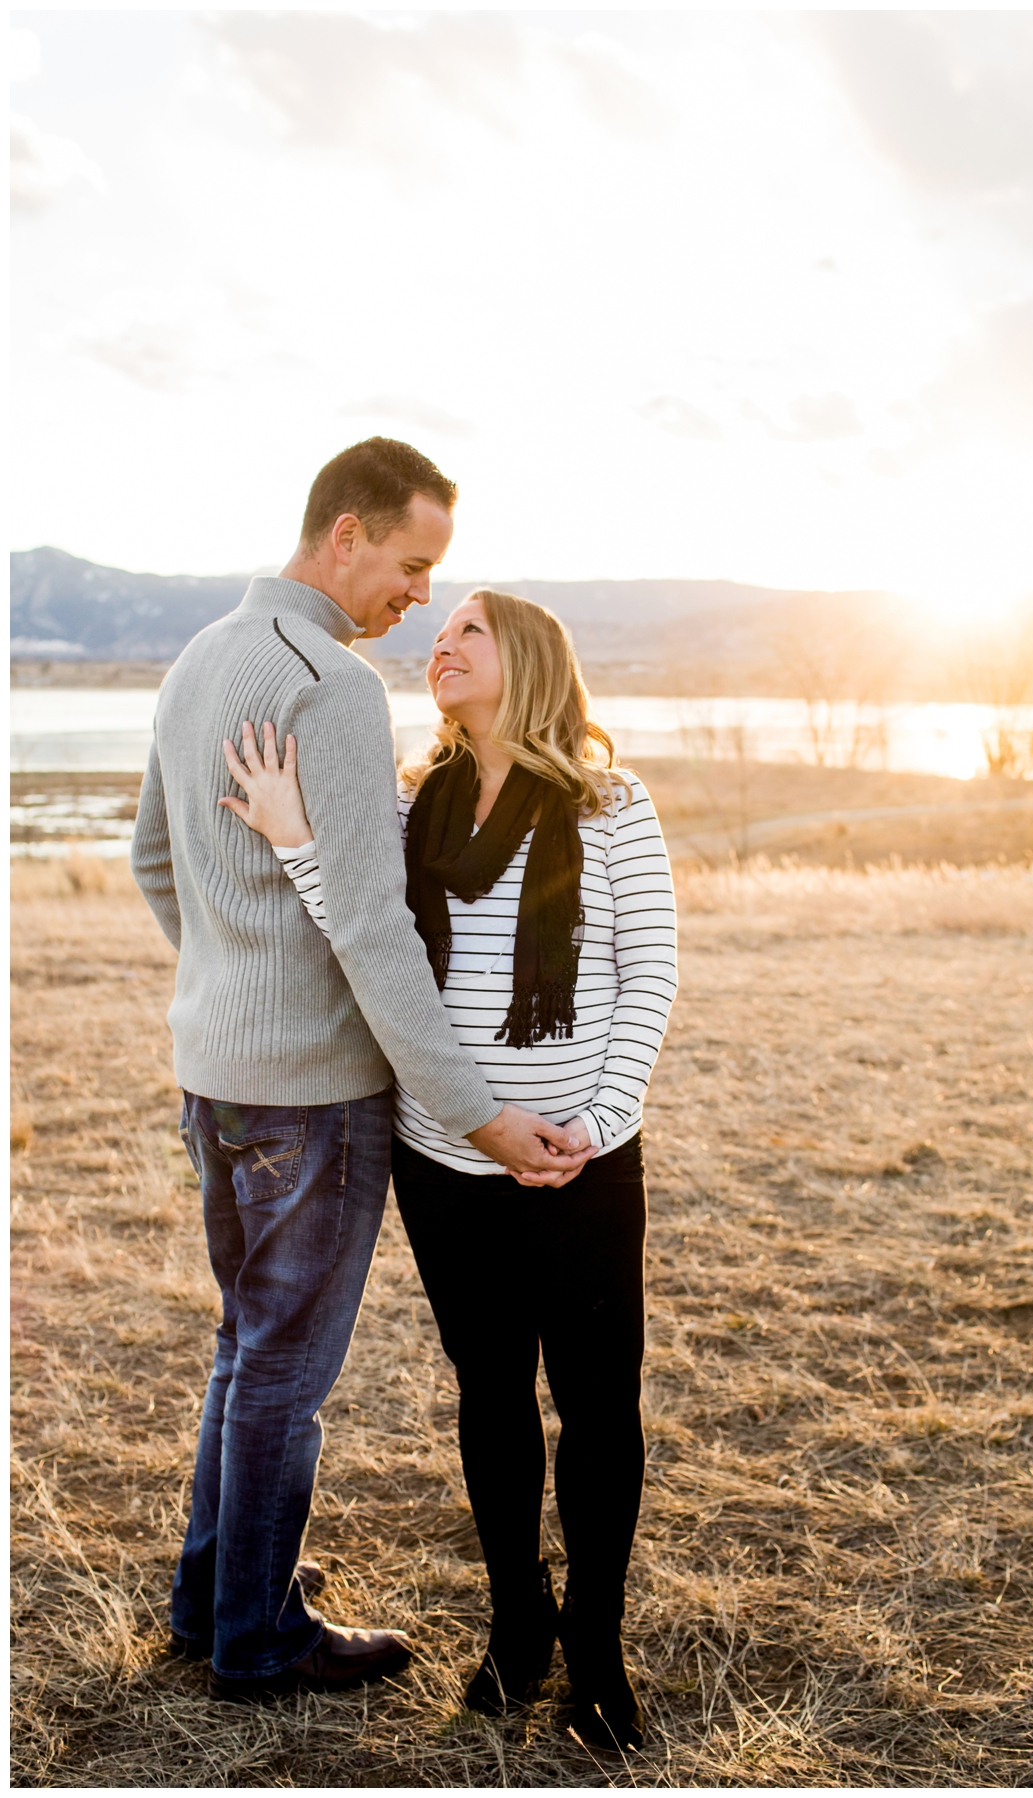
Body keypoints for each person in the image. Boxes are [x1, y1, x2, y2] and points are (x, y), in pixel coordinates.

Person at [133, 439, 592, 1703]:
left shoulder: (195, 661)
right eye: (410, 563)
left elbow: (151, 864)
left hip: (214, 1072)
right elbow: (378, 929)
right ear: (345, 535)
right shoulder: (328, 686)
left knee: (246, 1343)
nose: (415, 597)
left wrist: (230, 983)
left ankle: (212, 1595)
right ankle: (258, 1638)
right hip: (312, 1096)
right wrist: (478, 1112)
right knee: (283, 1362)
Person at [221, 586, 676, 1755]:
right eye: (440, 631)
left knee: (597, 1406)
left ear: (526, 660)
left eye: (469, 629)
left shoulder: (612, 804)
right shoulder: (414, 802)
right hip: (443, 1156)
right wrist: (295, 840)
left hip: (582, 1160)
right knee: (490, 1395)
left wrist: (594, 1120)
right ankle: (517, 1623)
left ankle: (598, 1650)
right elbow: (372, 938)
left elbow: (646, 978)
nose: (442, 644)